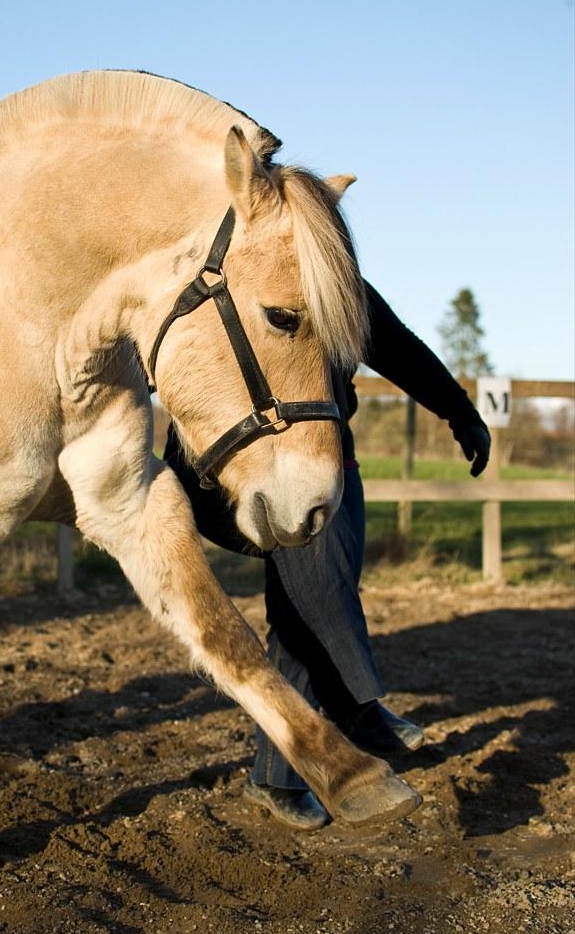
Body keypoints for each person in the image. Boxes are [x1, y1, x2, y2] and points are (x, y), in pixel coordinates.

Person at [164, 273, 491, 830]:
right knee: (320, 588)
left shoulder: (335, 282)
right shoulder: (223, 273)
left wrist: (460, 412)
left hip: (332, 467)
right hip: (240, 466)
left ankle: (276, 776)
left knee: (300, 615)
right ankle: (354, 704)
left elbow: (398, 346)